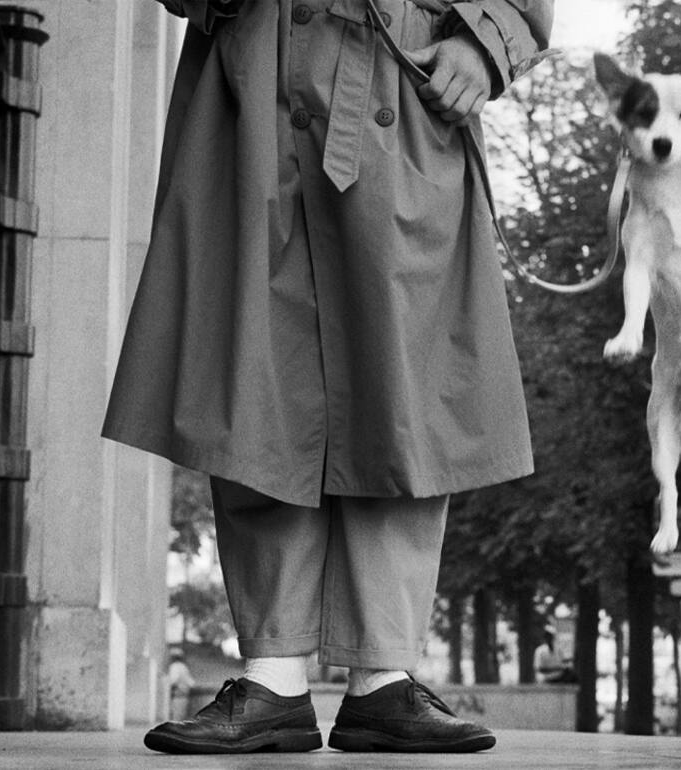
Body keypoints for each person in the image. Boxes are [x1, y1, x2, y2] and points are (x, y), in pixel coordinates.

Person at [102, 0, 553, 755]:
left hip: (403, 81)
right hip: (253, 83)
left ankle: (384, 676)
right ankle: (273, 675)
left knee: (403, 388)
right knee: (252, 376)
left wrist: (487, 41)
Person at [167, 649, 196, 721]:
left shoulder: (174, 667)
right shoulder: (184, 667)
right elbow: (191, 682)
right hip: (185, 695)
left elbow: (173, 680)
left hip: (178, 695)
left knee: (176, 717)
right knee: (182, 717)